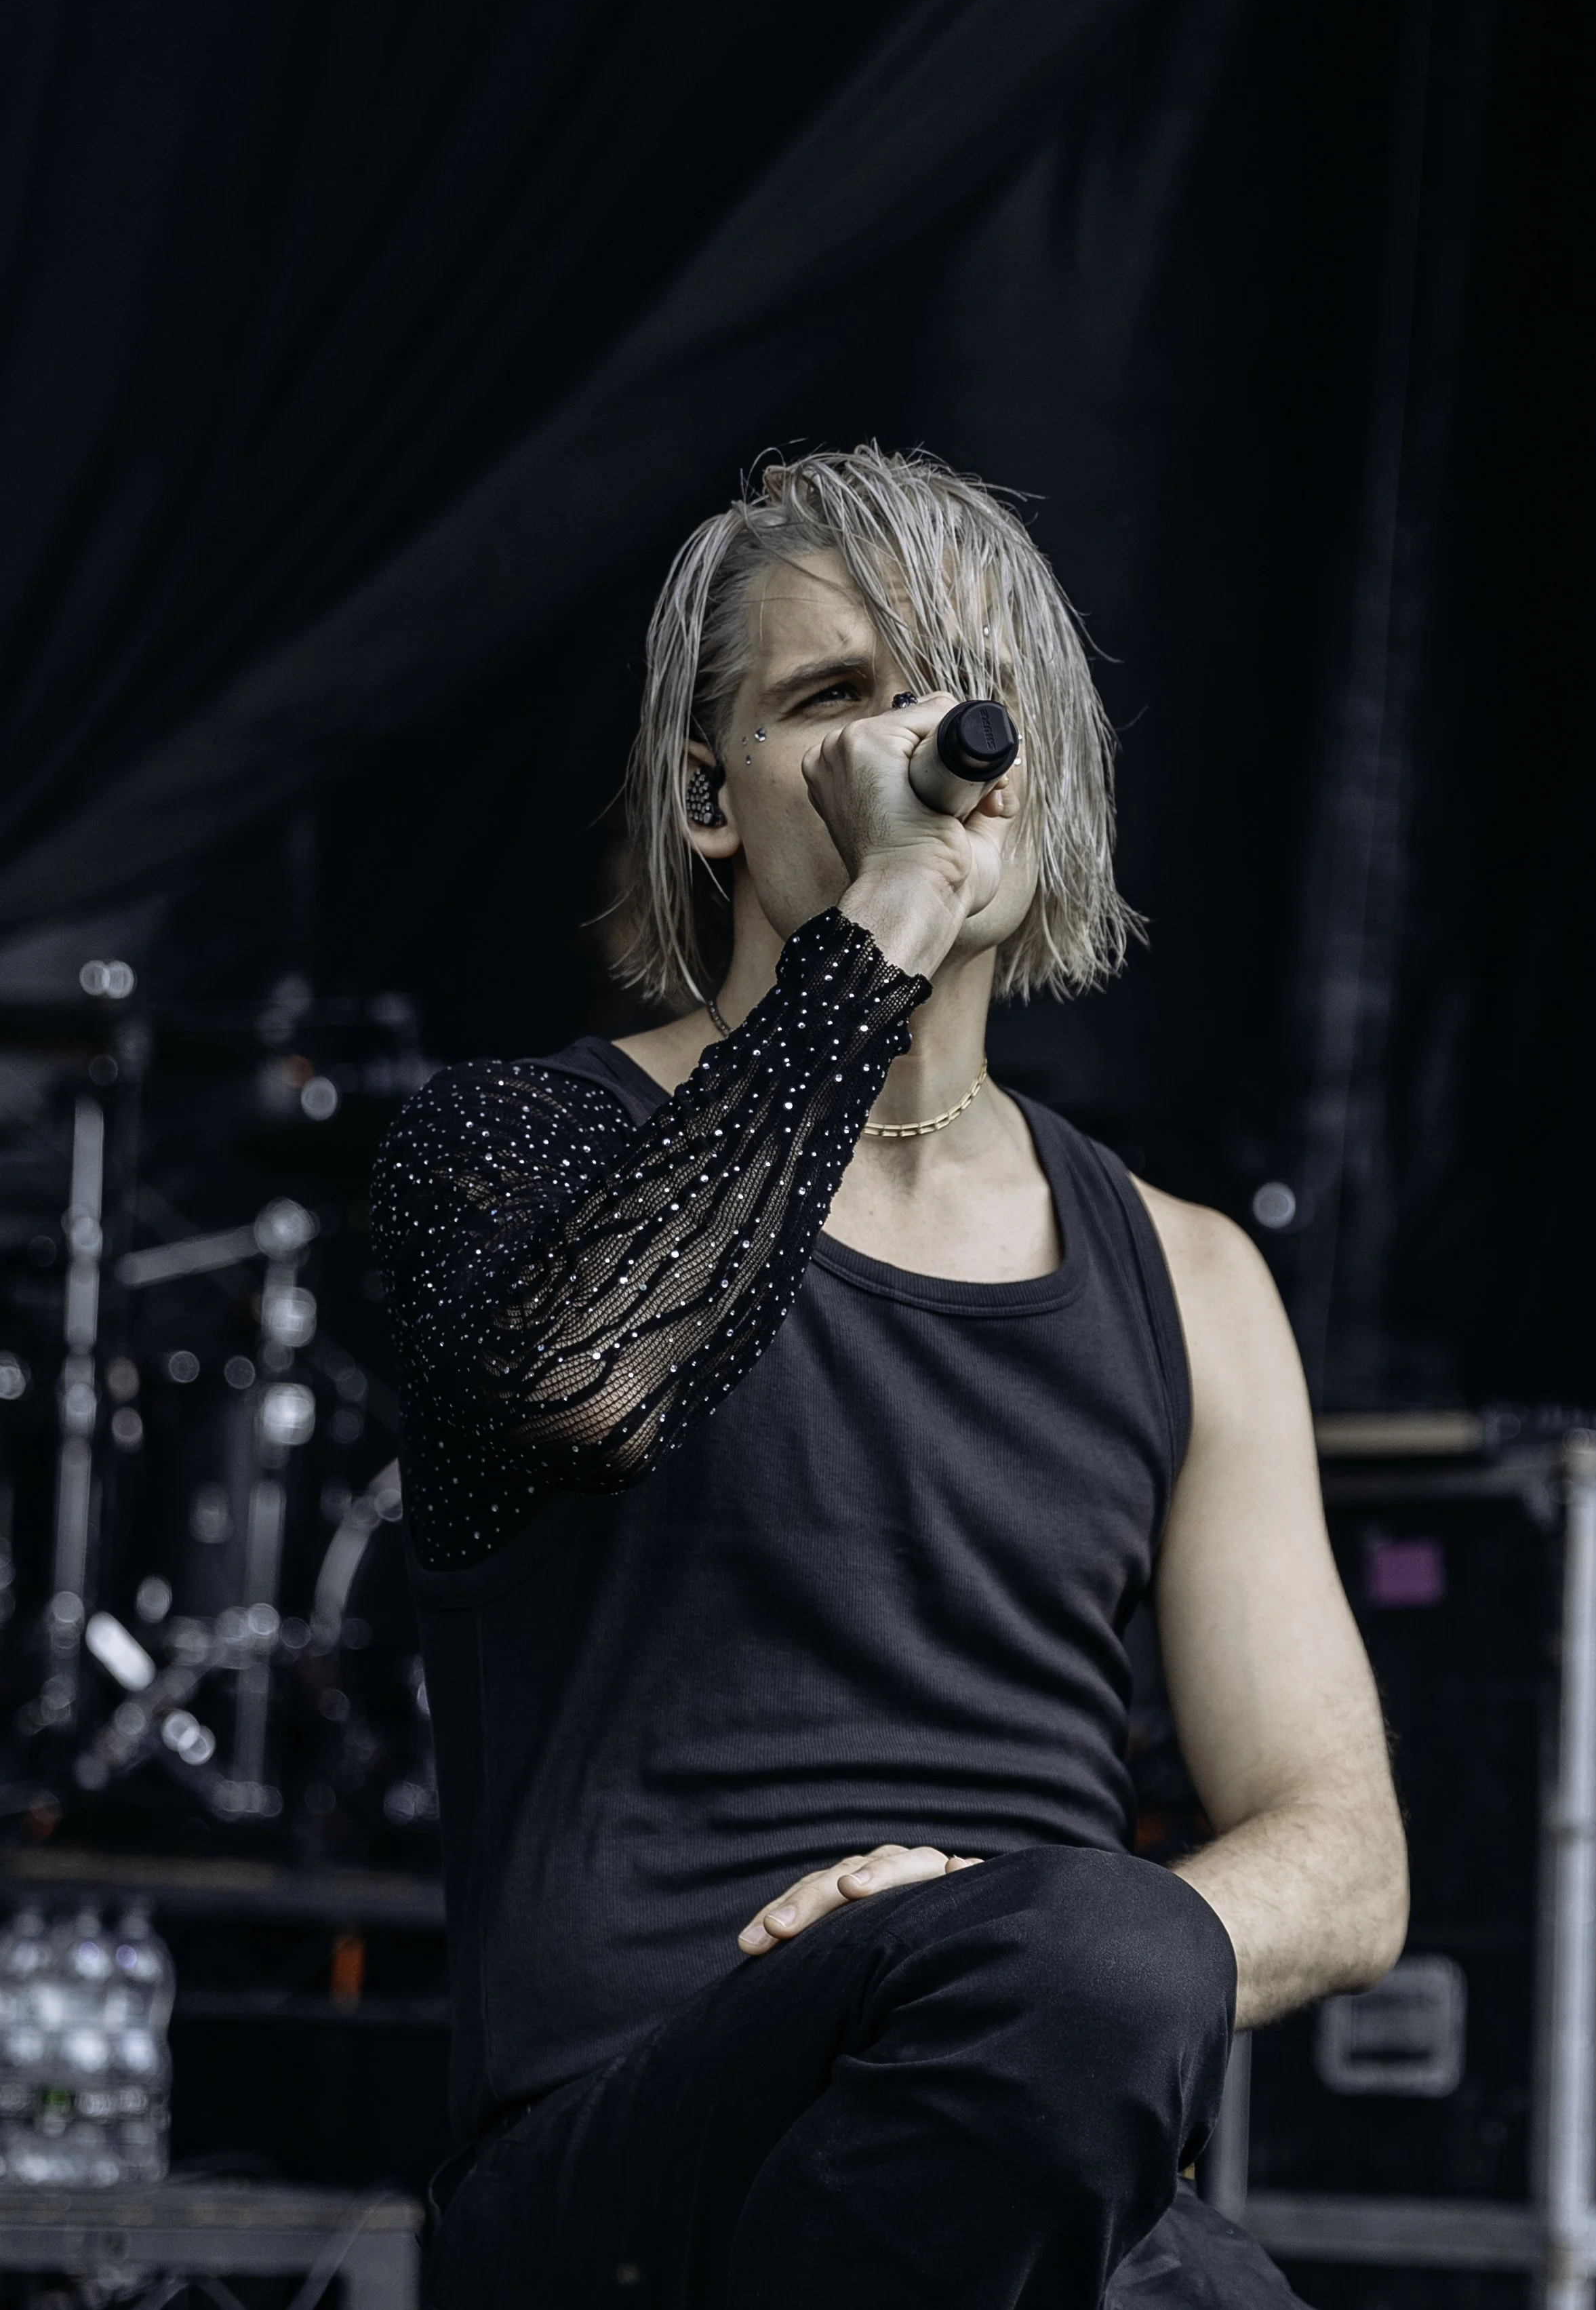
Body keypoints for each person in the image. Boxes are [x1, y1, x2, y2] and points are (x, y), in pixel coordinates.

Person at [372, 446, 1409, 2309]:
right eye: (839, 695)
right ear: (709, 793)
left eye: (961, 692)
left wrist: (982, 1939)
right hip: (629, 2178)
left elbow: (1345, 1864)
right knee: (1094, 1965)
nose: (920, 743)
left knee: (1144, 2090)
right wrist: (890, 915)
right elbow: (597, 1388)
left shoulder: (1191, 1277)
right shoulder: (515, 1147)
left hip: (1033, 2125)